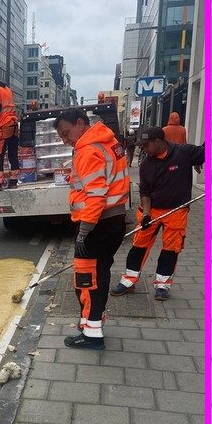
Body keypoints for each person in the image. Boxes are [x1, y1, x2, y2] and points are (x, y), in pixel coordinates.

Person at [53, 108, 129, 350]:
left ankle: (92, 334)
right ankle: (90, 322)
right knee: (101, 274)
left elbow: (96, 195)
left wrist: (84, 232)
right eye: (62, 137)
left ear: (80, 123)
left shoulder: (88, 150)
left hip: (97, 225)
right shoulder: (108, 141)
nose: (66, 140)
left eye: (66, 133)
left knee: (87, 280)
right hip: (113, 220)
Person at [111, 127, 205, 302]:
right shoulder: (146, 164)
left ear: (158, 141)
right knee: (138, 246)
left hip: (177, 210)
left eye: (146, 145)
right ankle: (129, 280)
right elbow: (145, 192)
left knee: (170, 249)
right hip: (151, 210)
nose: (143, 149)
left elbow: (206, 152)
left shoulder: (184, 152)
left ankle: (162, 285)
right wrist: (146, 214)